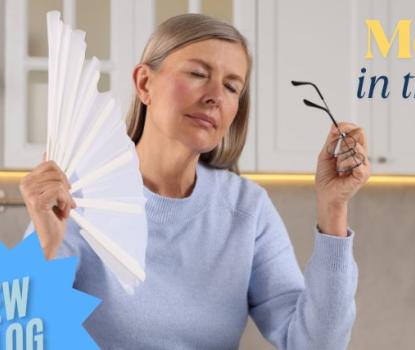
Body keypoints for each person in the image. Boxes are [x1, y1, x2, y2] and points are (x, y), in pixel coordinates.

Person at [20, 14, 370, 350]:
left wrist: (333, 207)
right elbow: (21, 335)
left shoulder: (246, 209)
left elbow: (315, 345)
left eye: (232, 87)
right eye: (198, 74)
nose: (215, 95)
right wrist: (45, 247)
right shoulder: (78, 197)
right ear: (144, 83)